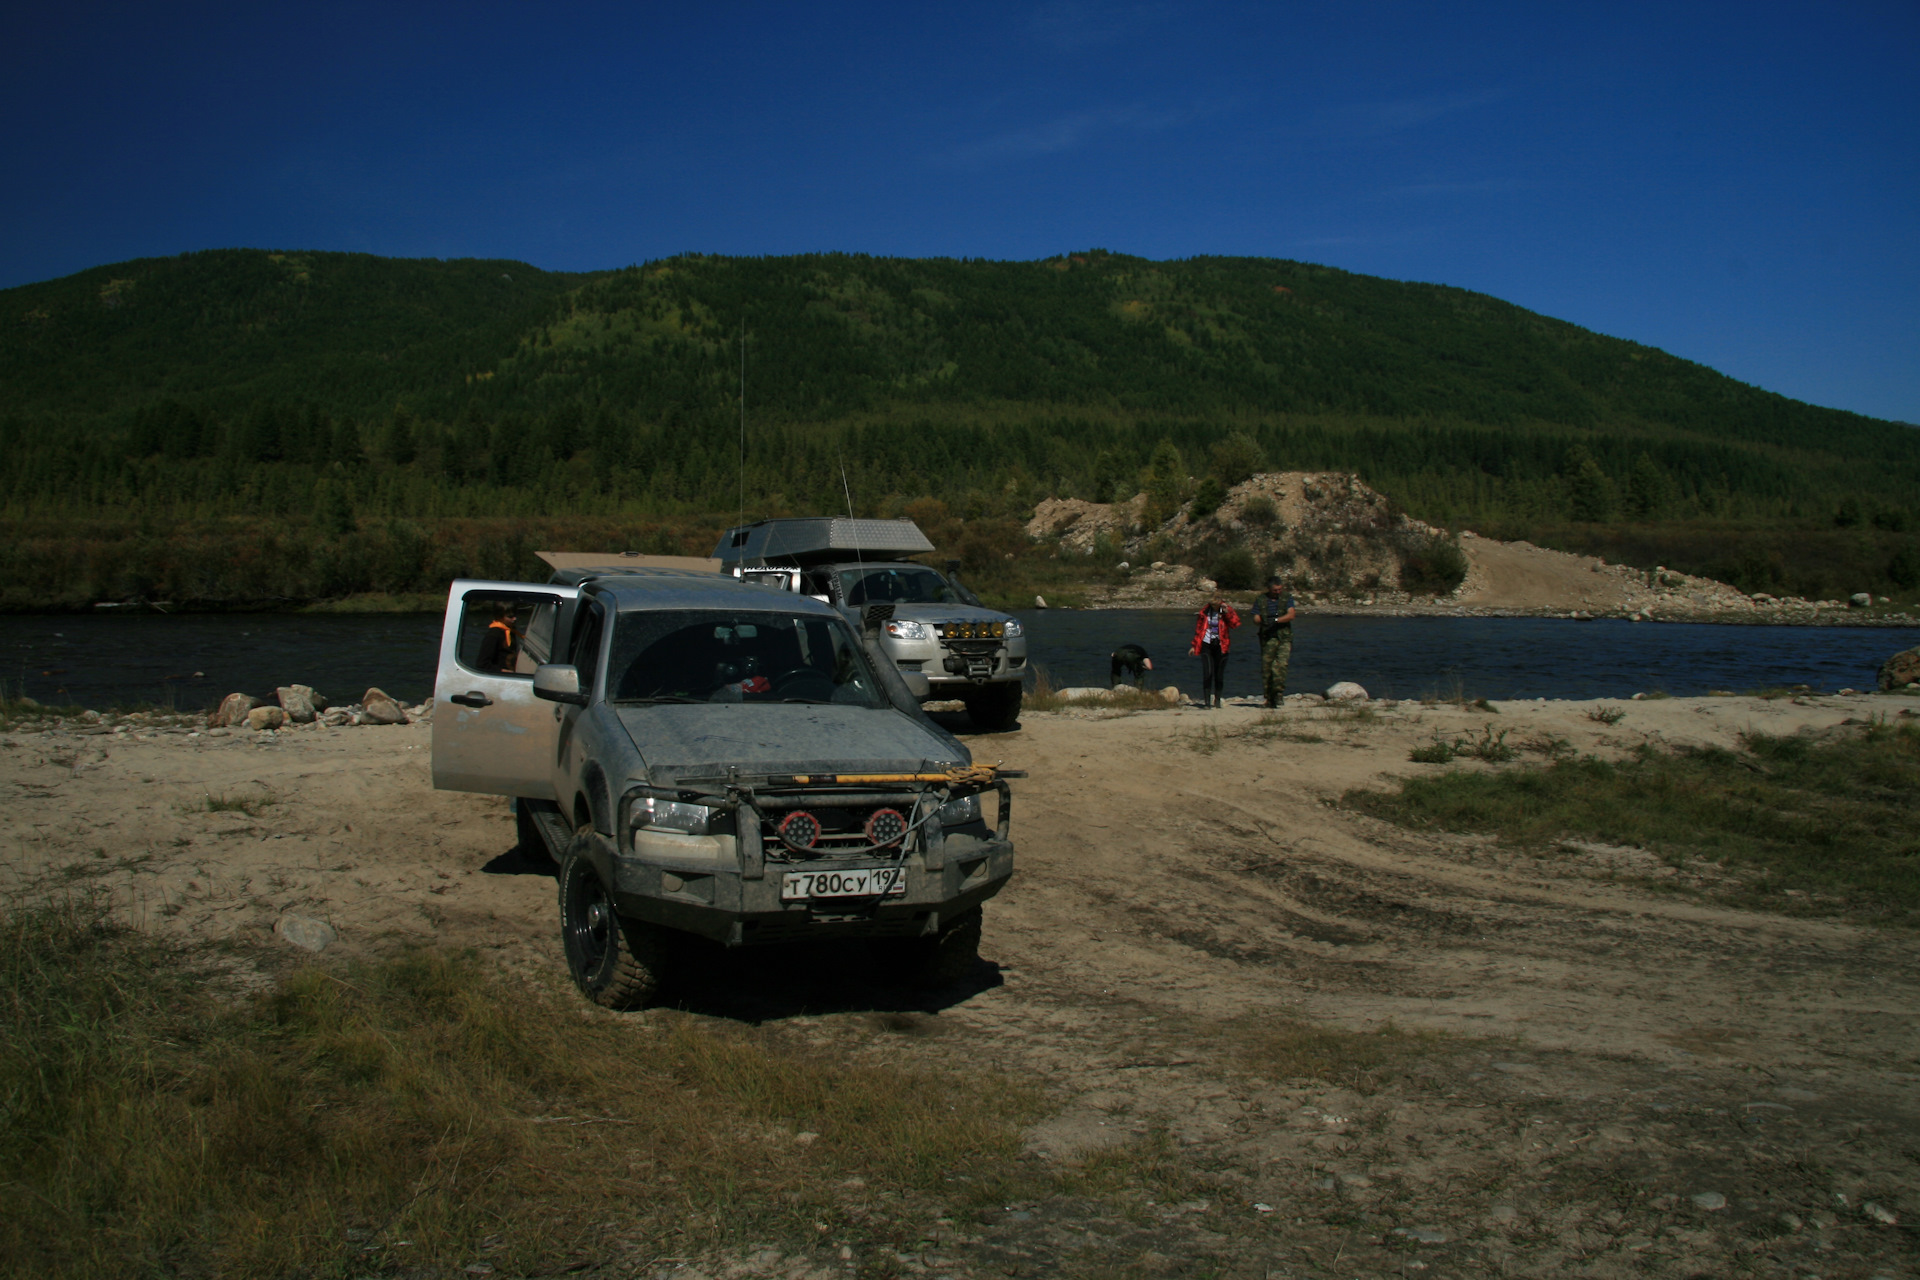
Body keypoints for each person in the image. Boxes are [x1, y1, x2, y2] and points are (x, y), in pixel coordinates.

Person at [1188, 591, 1240, 708]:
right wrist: (1194, 645)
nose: (1214, 607)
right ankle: (1207, 702)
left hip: (1221, 645)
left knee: (1219, 674)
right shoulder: (1204, 612)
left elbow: (1235, 624)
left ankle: (1217, 699)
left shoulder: (1226, 610)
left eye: (1216, 605)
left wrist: (1227, 613)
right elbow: (1199, 630)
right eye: (1212, 605)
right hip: (1206, 644)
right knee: (1208, 673)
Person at [1252, 575, 1298, 708]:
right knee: (1267, 669)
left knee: (1281, 666)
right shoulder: (1261, 600)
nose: (1278, 592)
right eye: (1275, 590)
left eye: (1279, 590)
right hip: (1268, 637)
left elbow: (1291, 615)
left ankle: (1278, 694)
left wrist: (1276, 620)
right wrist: (1264, 621)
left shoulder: (1287, 598)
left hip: (1284, 637)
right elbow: (1255, 618)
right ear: (1269, 589)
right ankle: (1269, 697)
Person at [477, 604, 519, 673]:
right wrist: (502, 671)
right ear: (499, 617)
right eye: (510, 617)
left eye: (515, 615)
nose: (515, 618)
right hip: (500, 676)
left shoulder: (511, 630)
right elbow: (482, 664)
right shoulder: (493, 635)